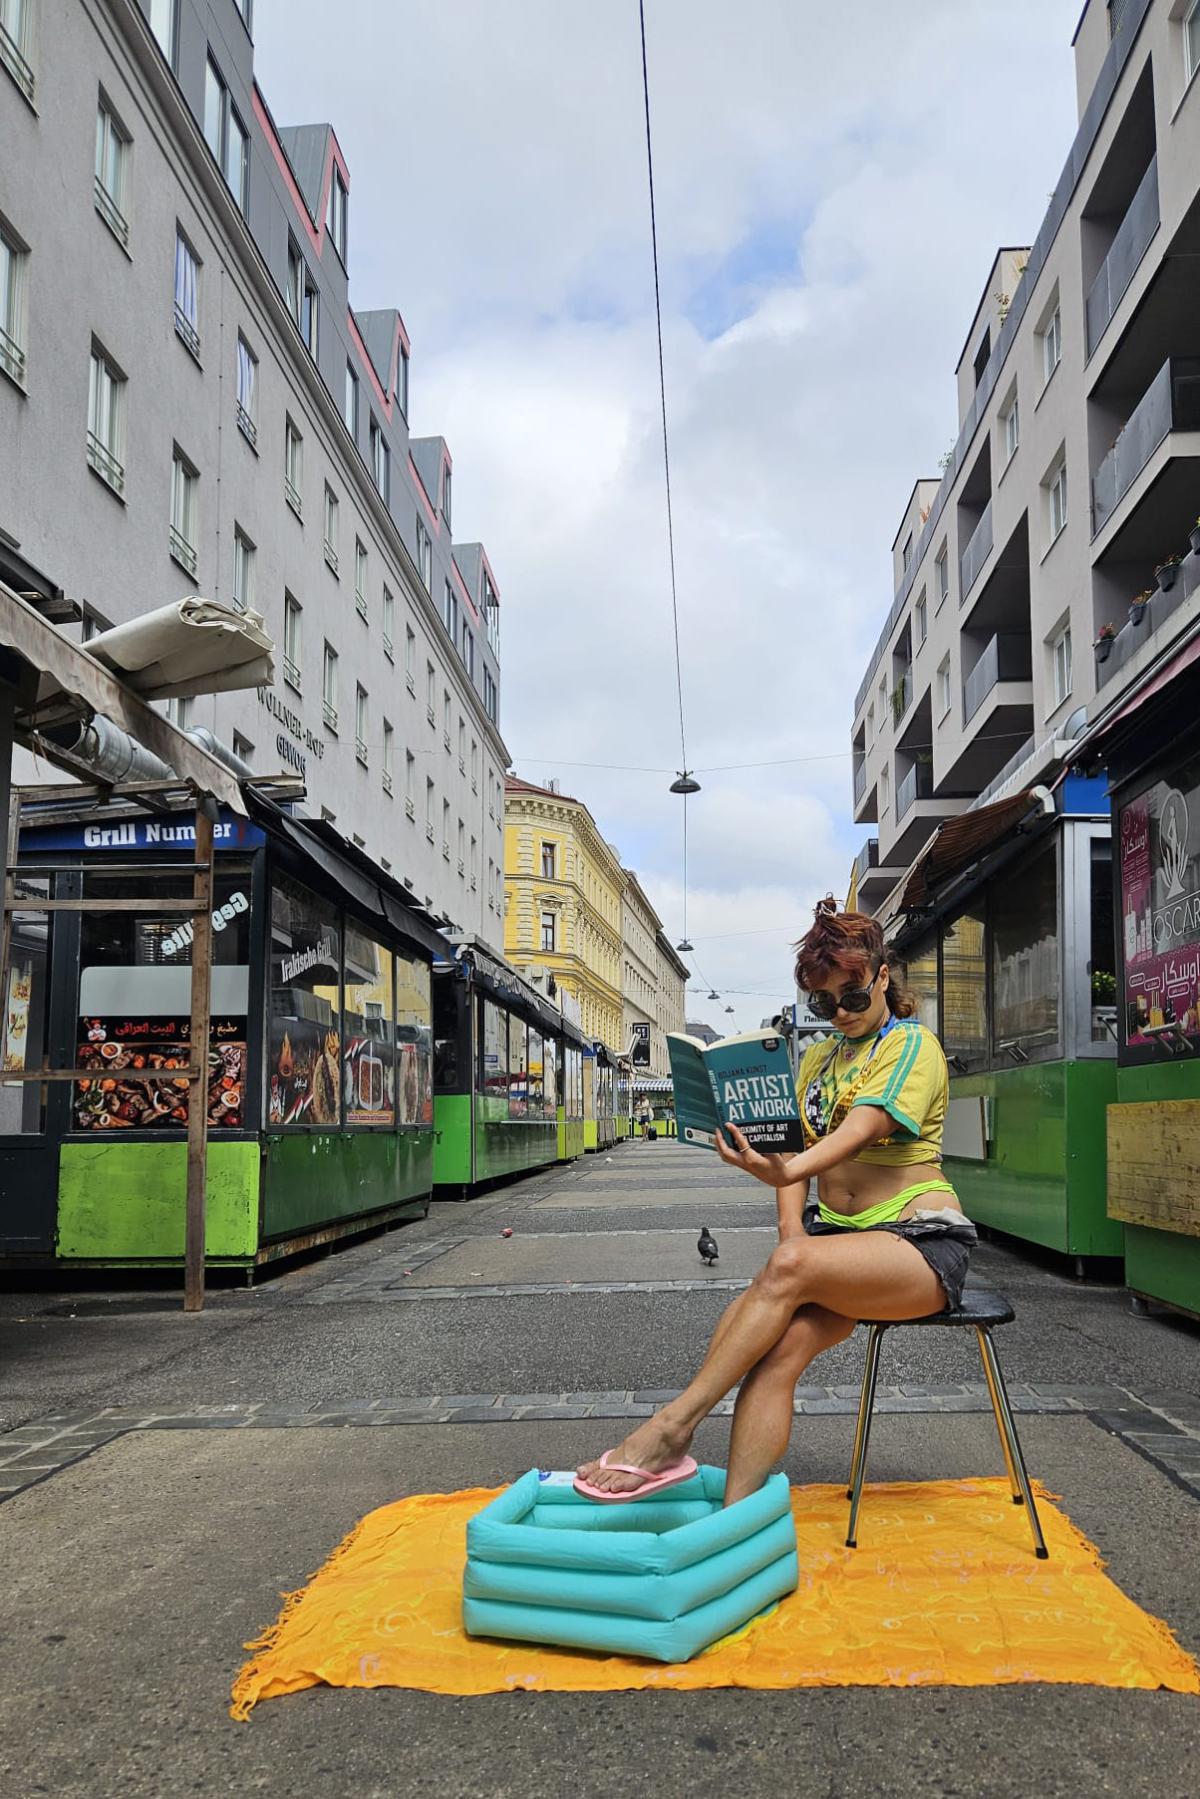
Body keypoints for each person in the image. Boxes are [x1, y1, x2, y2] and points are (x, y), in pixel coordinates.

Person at [575, 897, 976, 1508]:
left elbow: (859, 1130)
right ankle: (736, 1516)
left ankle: (670, 1429)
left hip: (920, 1247)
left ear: (883, 977)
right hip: (839, 1249)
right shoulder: (817, 1057)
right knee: (776, 1351)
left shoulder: (910, 1046)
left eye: (851, 995)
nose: (838, 1012)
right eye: (823, 1001)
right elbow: (794, 1161)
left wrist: (787, 1180)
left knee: (787, 1273)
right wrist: (792, 1232)